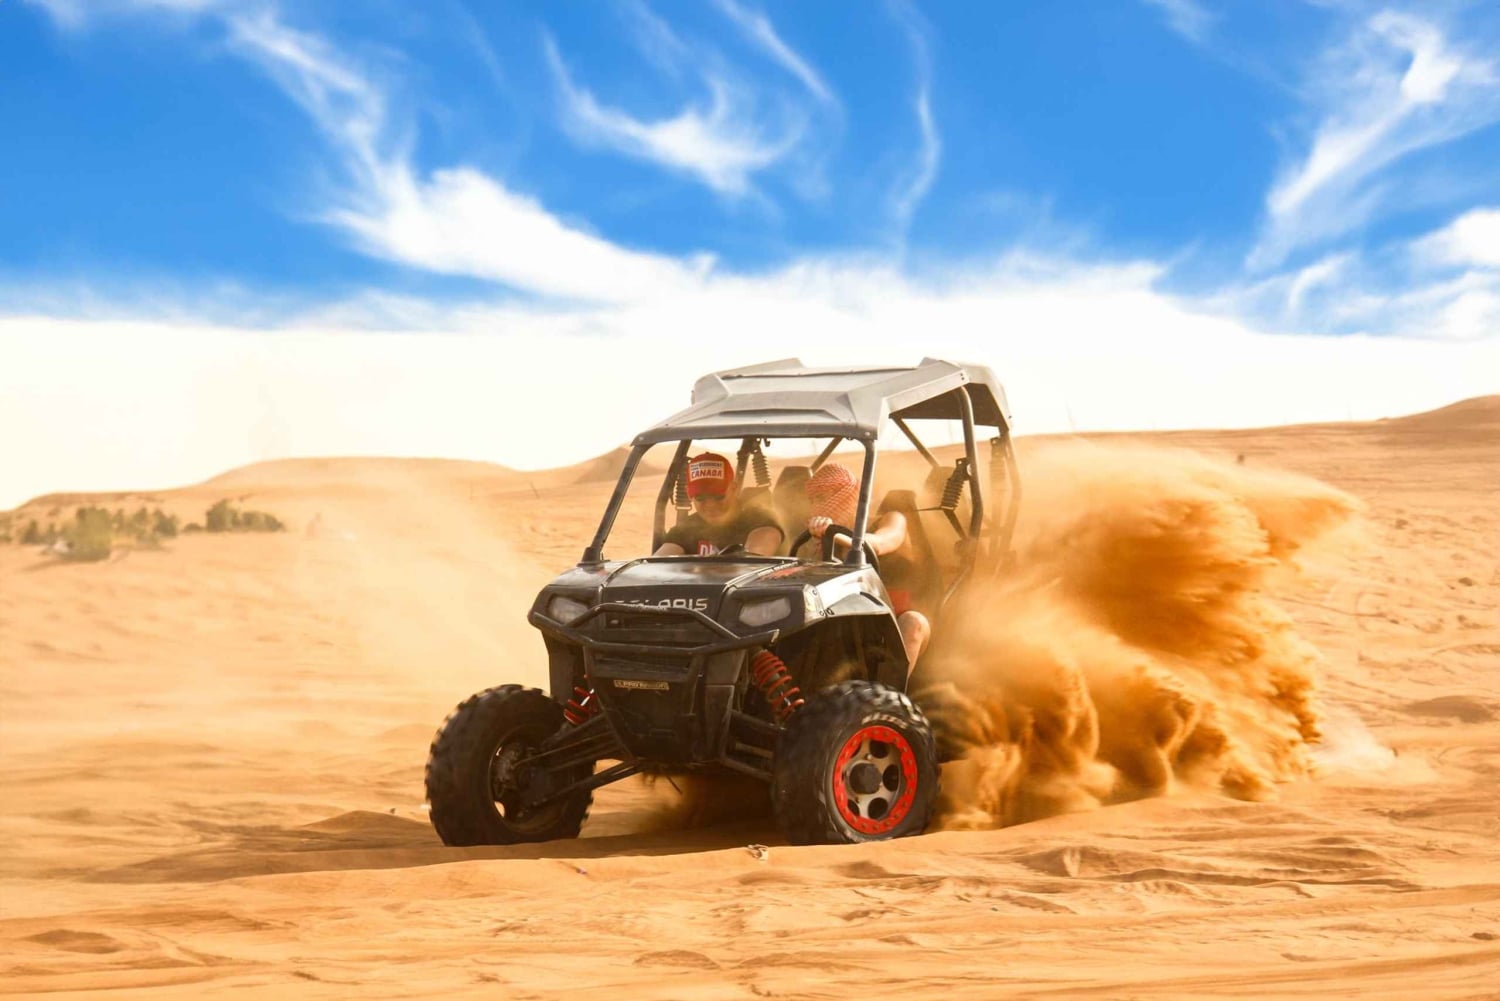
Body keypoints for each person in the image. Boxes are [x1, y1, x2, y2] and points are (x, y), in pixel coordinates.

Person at [801, 463, 932, 669]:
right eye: (816, 499)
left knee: (913, 623)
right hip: (846, 617)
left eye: (828, 496)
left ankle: (890, 697)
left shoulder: (890, 519)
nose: (821, 505)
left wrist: (834, 534)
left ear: (850, 495)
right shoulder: (816, 539)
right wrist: (818, 544)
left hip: (895, 618)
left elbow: (880, 543)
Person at [654, 452, 784, 557]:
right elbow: (659, 564)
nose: (710, 505)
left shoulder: (759, 520)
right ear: (690, 496)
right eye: (700, 498)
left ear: (733, 489)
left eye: (718, 496)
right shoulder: (685, 529)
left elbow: (755, 558)